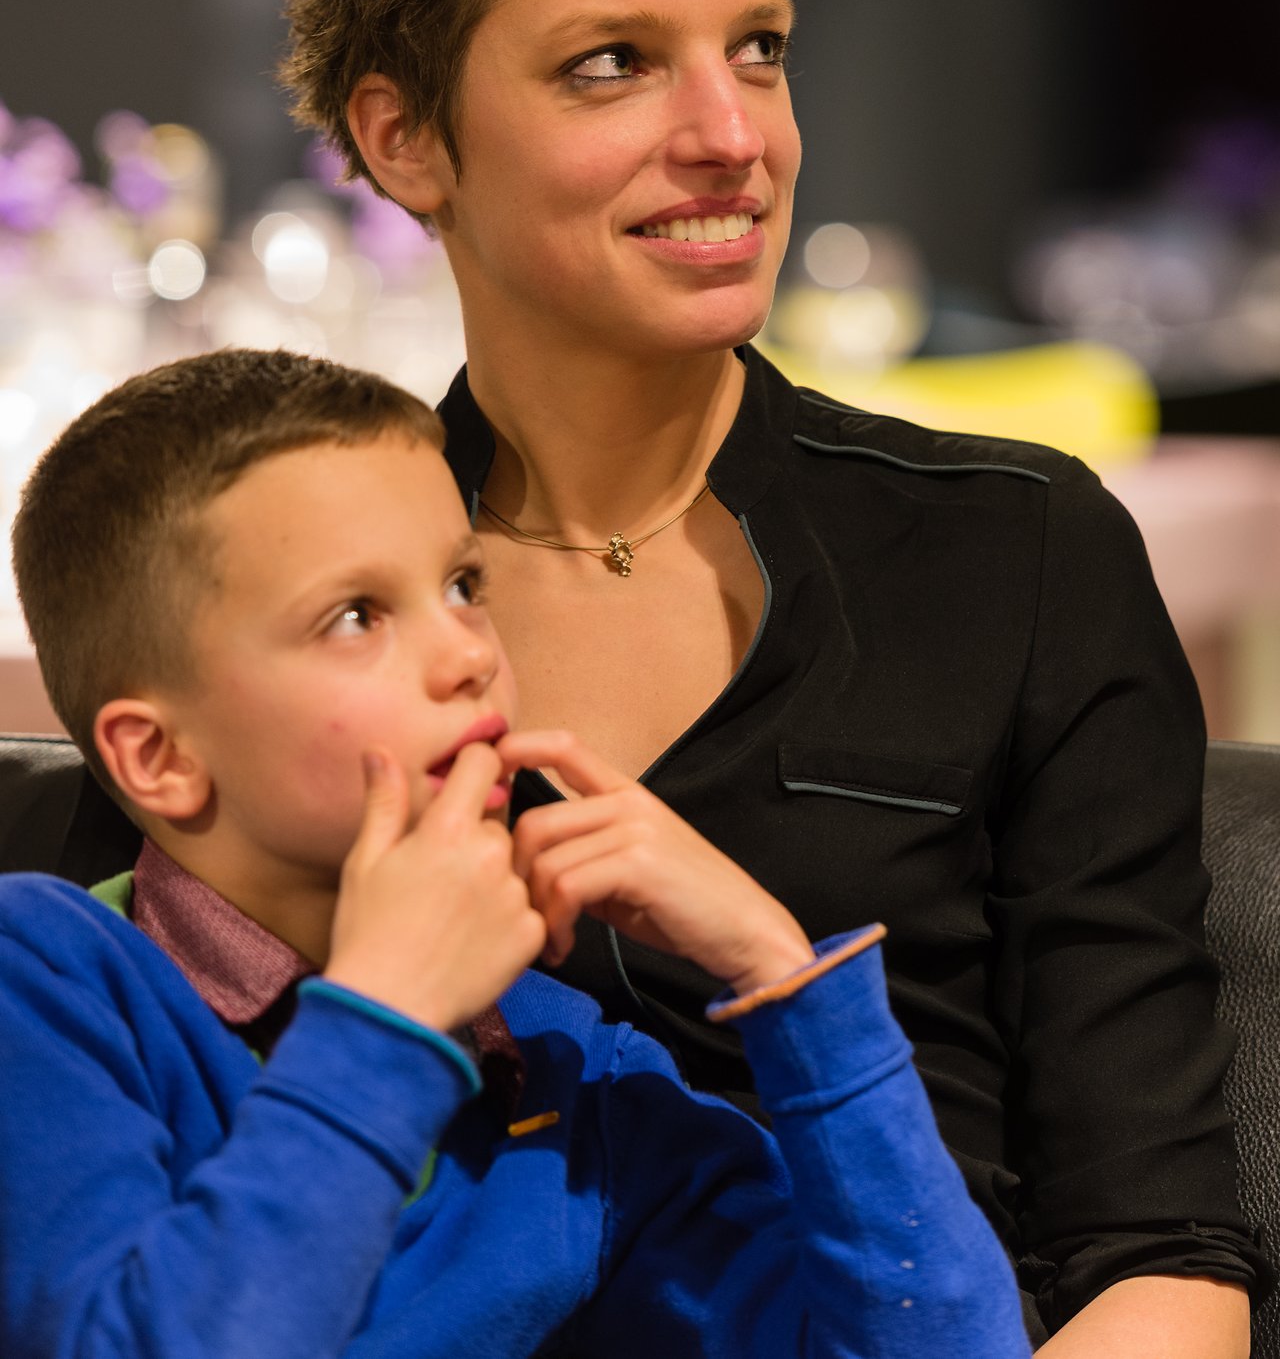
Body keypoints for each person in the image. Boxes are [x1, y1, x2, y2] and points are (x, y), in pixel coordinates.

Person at [279, 0, 1270, 1354]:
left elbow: (1161, 1252)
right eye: (614, 63)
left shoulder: (1013, 550)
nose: (732, 134)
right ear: (405, 137)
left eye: (759, 49)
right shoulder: (286, 592)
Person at [1, 346, 1029, 1359]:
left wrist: (783, 974)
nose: (469, 653)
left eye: (463, 585)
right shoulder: (47, 983)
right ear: (162, 757)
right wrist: (390, 1017)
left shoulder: (563, 1065)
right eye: (355, 616)